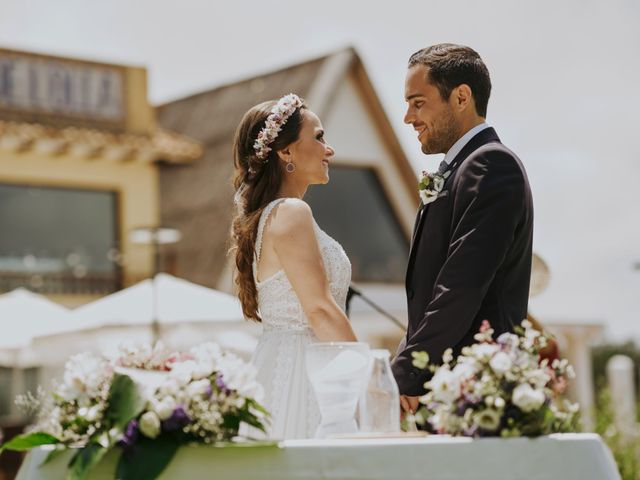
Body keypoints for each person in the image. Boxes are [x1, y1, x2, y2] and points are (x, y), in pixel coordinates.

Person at [391, 44, 534, 415]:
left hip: (479, 397)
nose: (408, 117)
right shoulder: (461, 170)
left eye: (418, 102)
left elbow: (459, 287)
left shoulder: (490, 165)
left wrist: (402, 376)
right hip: (446, 391)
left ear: (461, 97)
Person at [230, 94, 357, 439]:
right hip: (307, 373)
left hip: (280, 366)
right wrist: (368, 376)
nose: (328, 149)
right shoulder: (290, 212)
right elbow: (319, 309)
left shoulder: (269, 216)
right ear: (285, 152)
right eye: (318, 137)